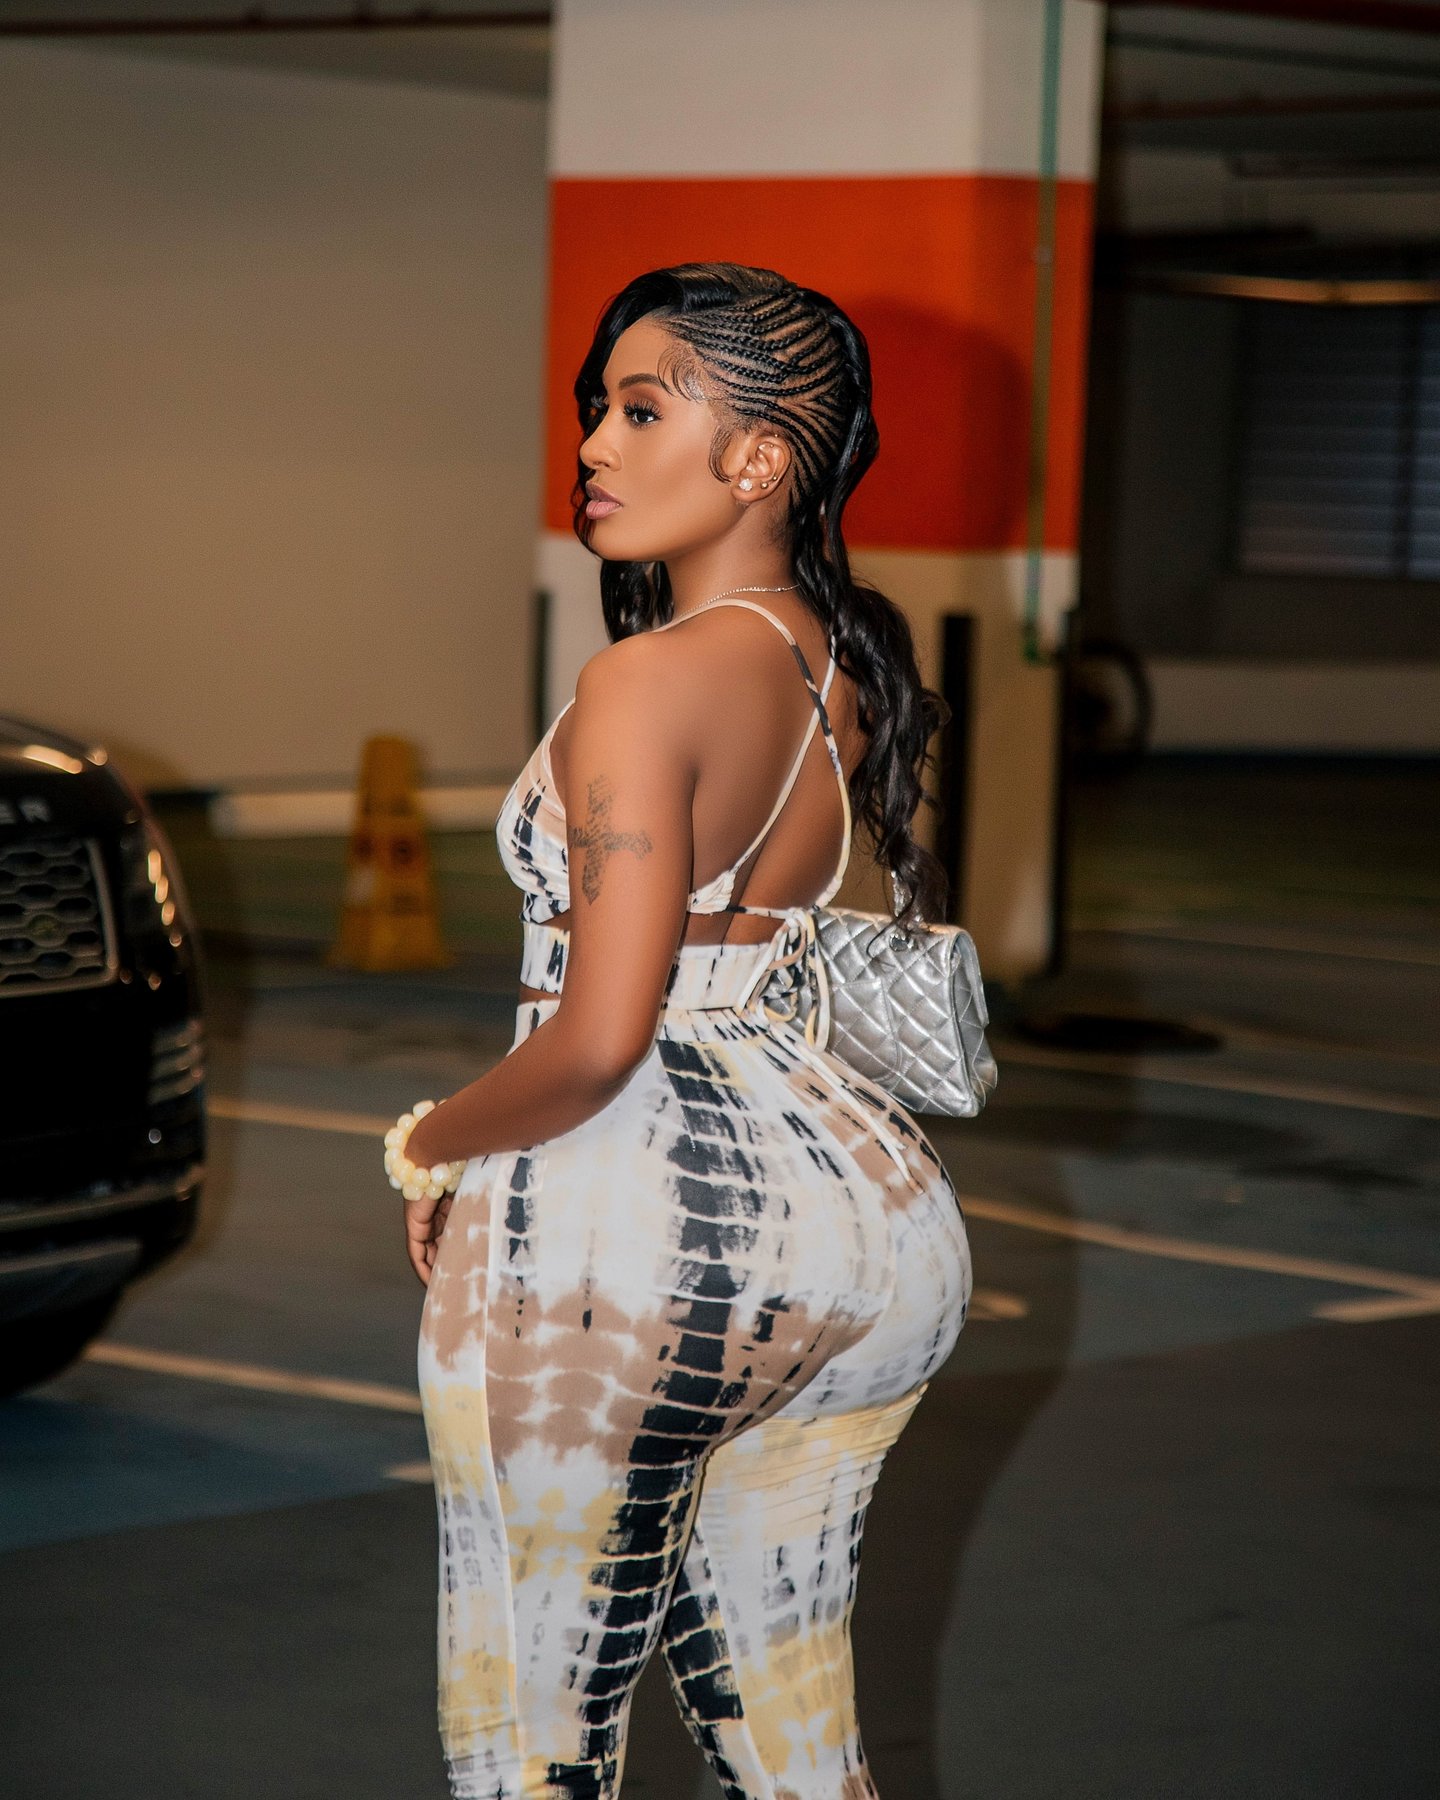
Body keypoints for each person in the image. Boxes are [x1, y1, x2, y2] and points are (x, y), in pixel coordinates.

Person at [394, 262, 973, 1800]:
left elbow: (599, 1039)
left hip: (630, 1230)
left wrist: (428, 1145)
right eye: (598, 407)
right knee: (794, 1736)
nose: (594, 442)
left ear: (759, 457)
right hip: (869, 1221)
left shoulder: (643, 681)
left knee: (530, 1744)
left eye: (643, 409)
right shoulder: (834, 666)